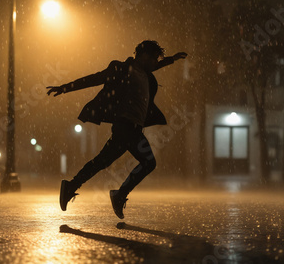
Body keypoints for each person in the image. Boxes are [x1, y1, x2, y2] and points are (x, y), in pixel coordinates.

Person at [47, 40, 187, 219]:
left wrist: (171, 60)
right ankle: (118, 195)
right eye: (152, 58)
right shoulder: (121, 69)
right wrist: (65, 88)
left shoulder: (145, 73)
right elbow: (94, 79)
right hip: (125, 126)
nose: (154, 63)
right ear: (143, 56)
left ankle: (72, 187)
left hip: (134, 127)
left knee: (102, 162)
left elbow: (155, 66)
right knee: (148, 163)